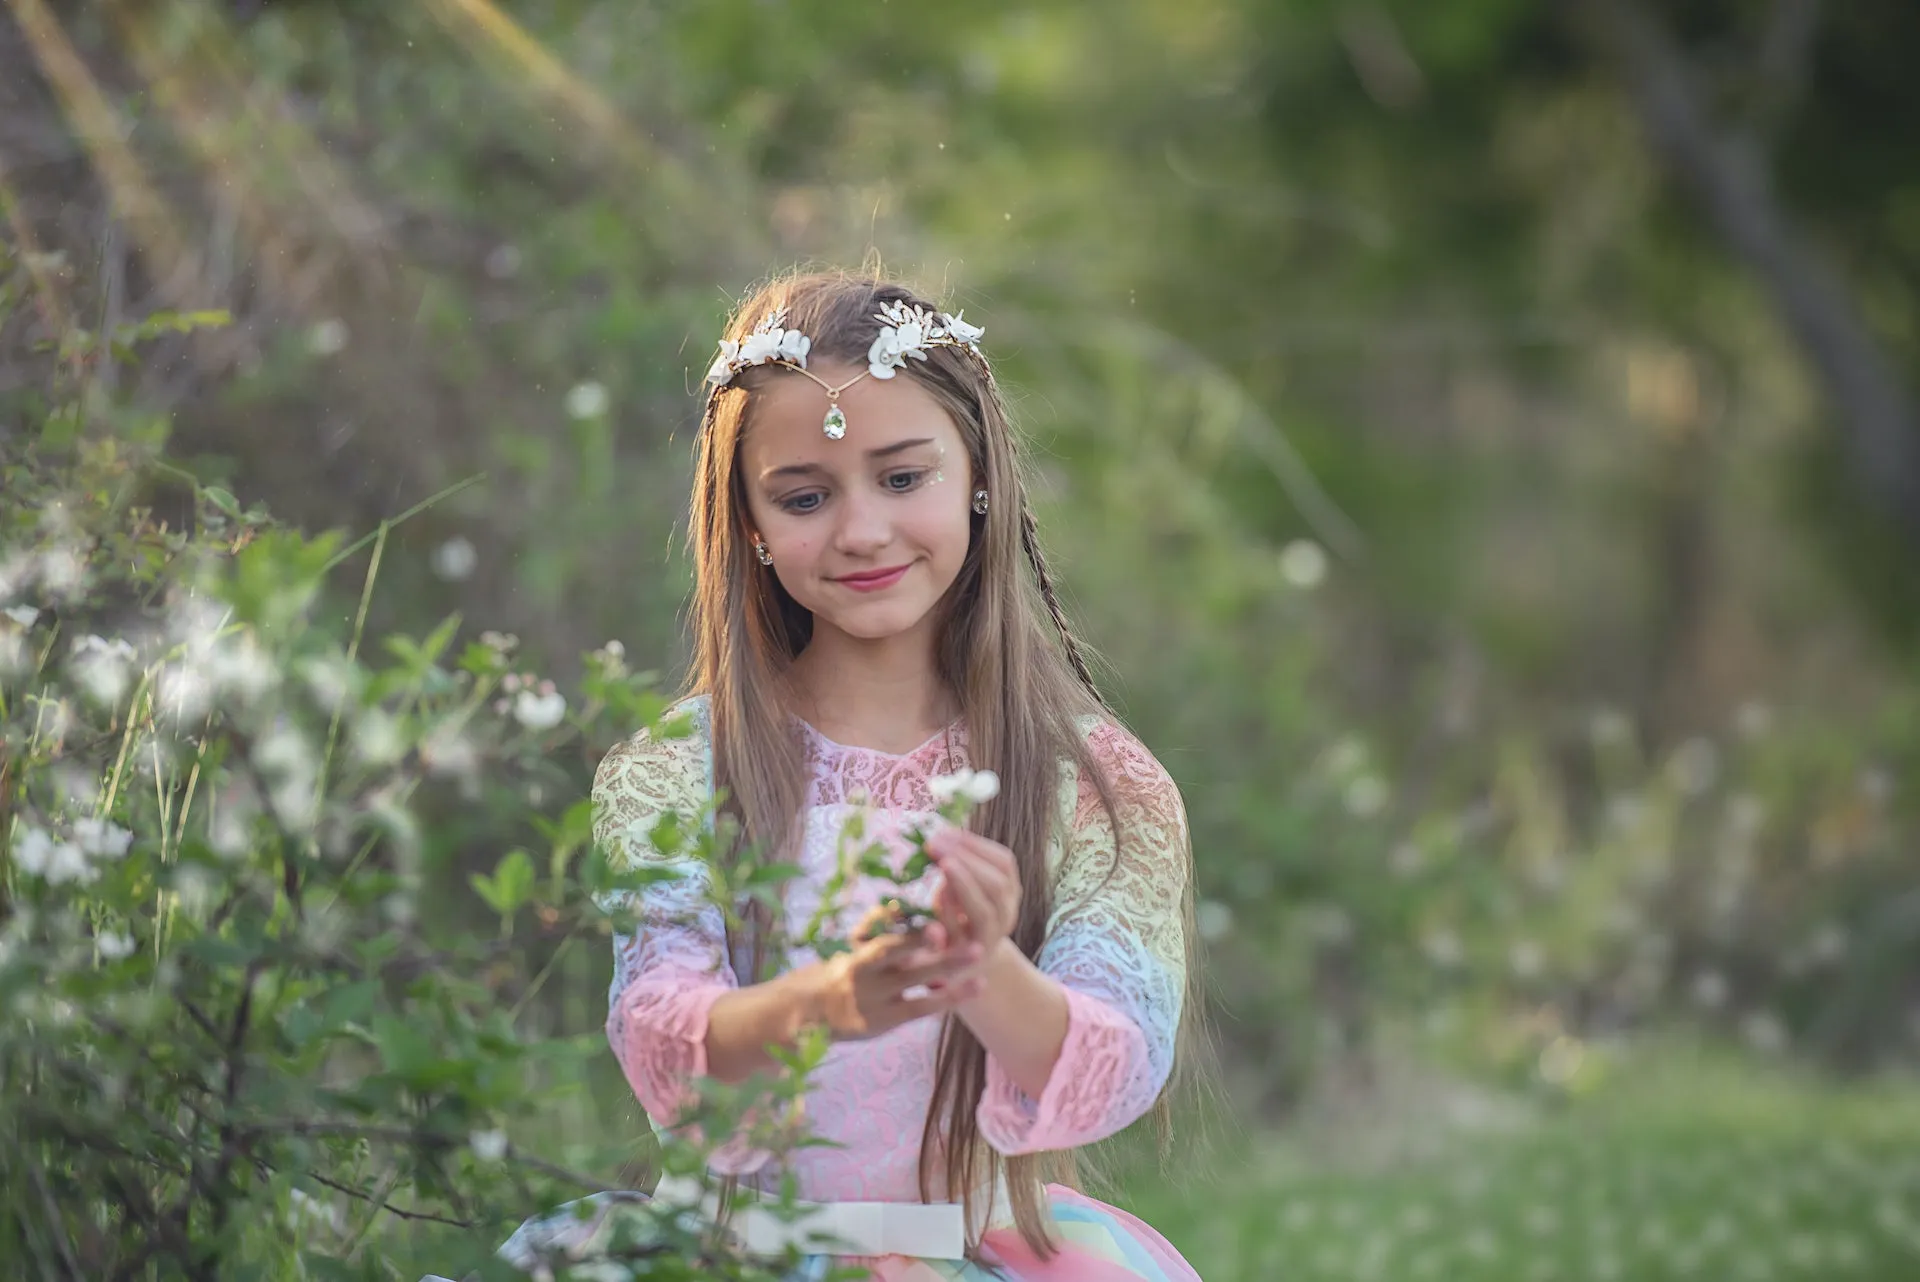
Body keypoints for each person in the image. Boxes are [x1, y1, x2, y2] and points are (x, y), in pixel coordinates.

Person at [576, 270, 1203, 1281]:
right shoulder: (675, 773)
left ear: (978, 475)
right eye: (806, 496)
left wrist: (982, 971)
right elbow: (662, 1038)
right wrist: (828, 997)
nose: (861, 530)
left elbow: (1115, 1059)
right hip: (740, 1252)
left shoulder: (1091, 780)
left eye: (903, 477)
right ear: (749, 522)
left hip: (976, 1249)